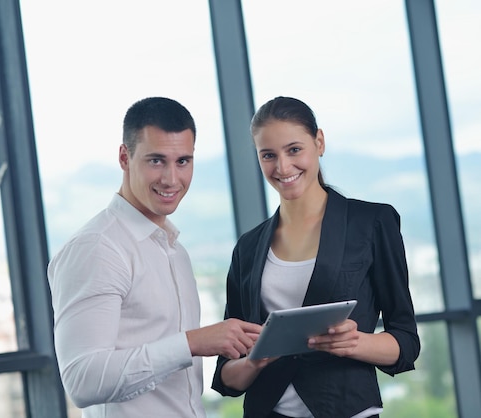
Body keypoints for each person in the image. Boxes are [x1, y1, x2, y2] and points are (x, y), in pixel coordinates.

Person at [47, 96, 262, 418]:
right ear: (124, 156)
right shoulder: (97, 248)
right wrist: (191, 343)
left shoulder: (174, 250)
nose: (171, 179)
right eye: (156, 160)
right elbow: (82, 382)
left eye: (183, 161)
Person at [211, 96, 421, 418]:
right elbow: (227, 374)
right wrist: (254, 361)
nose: (282, 167)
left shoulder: (372, 223)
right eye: (268, 155)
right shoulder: (249, 247)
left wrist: (355, 343)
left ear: (319, 142)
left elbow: (406, 343)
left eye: (294, 149)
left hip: (346, 409)